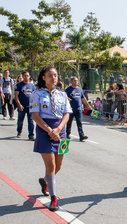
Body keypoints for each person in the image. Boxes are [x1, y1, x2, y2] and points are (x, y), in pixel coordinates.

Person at [29, 65, 72, 211]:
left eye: (55, 75)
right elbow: (35, 115)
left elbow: (67, 113)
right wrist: (49, 130)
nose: (53, 78)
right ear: (43, 77)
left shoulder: (62, 94)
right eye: (50, 75)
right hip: (44, 130)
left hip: (61, 131)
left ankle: (45, 181)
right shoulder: (36, 94)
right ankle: (53, 198)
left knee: (59, 165)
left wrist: (58, 129)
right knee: (51, 165)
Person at [65, 77, 92, 142]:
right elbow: (64, 98)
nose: (76, 82)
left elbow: (83, 98)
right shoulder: (68, 89)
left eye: (77, 81)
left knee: (79, 122)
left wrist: (88, 106)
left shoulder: (80, 90)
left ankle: (81, 136)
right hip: (70, 109)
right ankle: (67, 133)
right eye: (74, 81)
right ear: (71, 81)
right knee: (69, 122)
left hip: (78, 109)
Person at [14, 71, 36, 140]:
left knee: (31, 121)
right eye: (25, 75)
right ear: (23, 76)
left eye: (27, 75)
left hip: (30, 107)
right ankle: (19, 131)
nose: (26, 77)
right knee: (20, 120)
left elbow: (34, 96)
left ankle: (31, 135)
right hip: (22, 107)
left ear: (29, 76)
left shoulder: (32, 86)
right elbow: (16, 96)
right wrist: (19, 105)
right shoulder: (19, 85)